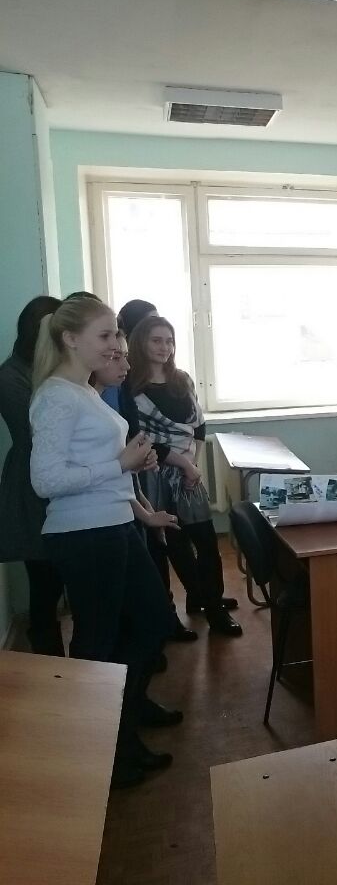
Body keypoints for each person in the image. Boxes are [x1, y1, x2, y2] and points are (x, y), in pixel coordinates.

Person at [29, 295, 178, 788]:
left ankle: (127, 712)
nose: (116, 344)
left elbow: (106, 468)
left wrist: (138, 490)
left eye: (117, 334)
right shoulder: (56, 397)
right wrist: (120, 463)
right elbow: (46, 480)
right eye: (106, 335)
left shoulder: (86, 391)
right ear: (70, 339)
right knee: (99, 643)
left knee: (152, 623)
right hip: (84, 534)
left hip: (114, 525)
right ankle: (110, 748)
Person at [128, 316, 241, 637]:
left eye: (169, 341)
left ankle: (210, 603)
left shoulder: (182, 380)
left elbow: (199, 426)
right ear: (140, 343)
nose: (164, 347)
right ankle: (203, 600)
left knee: (206, 542)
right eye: (156, 340)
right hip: (156, 476)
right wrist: (185, 464)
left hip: (189, 475)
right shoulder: (132, 388)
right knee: (175, 545)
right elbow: (144, 440)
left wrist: (193, 463)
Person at [90, 335, 193, 645]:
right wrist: (131, 470)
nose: (126, 365)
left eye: (124, 355)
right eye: (115, 356)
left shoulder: (109, 393)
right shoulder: (73, 402)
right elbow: (56, 478)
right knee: (105, 622)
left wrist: (144, 506)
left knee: (142, 609)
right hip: (96, 521)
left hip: (125, 506)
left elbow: (127, 455)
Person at [0, 295, 65, 655]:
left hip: (55, 481)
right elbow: (37, 434)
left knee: (58, 575)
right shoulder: (10, 376)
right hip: (30, 486)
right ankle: (49, 657)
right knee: (44, 578)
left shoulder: (51, 369)